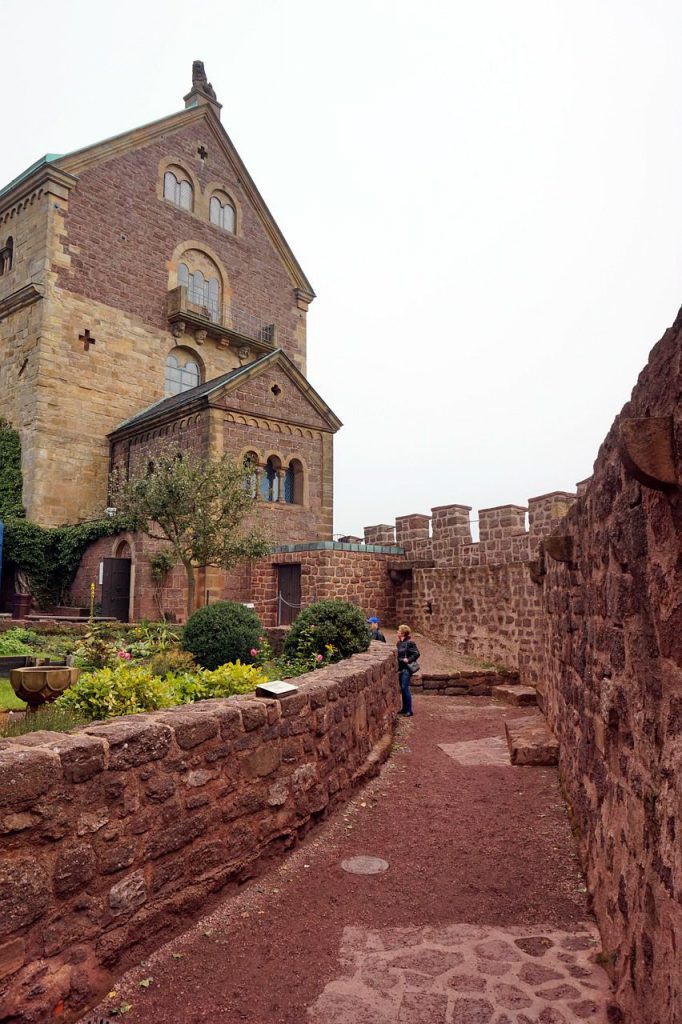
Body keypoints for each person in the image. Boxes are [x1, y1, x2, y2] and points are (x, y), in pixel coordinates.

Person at [396, 623, 419, 717]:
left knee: (405, 688)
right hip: (400, 668)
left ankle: (409, 710)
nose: (397, 632)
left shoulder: (410, 643)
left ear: (402, 633)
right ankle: (404, 709)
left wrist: (408, 659)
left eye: (398, 630)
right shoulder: (399, 643)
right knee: (402, 688)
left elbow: (417, 653)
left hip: (406, 668)